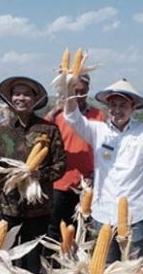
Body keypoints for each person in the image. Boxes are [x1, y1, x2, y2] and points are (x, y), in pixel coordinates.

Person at [64, 78, 143, 262]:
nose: (117, 110)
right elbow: (72, 118)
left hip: (134, 213)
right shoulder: (97, 130)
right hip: (103, 212)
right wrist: (69, 89)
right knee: (106, 265)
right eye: (113, 105)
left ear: (133, 108)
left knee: (132, 266)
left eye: (123, 105)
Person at [0, 76, 65, 274]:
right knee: (0, 261)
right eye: (17, 93)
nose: (21, 98)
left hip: (37, 209)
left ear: (35, 100)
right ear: (10, 98)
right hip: (3, 206)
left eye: (27, 94)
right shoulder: (1, 130)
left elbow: (60, 165)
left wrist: (37, 175)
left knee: (31, 263)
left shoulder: (49, 130)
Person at [44, 74, 105, 249]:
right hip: (59, 182)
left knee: (81, 230)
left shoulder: (98, 115)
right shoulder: (57, 115)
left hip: (86, 183)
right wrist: (54, 110)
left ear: (88, 91)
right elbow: (41, 132)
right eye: (74, 91)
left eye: (82, 92)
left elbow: (104, 147)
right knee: (55, 230)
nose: (78, 95)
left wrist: (95, 174)